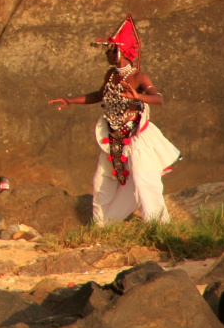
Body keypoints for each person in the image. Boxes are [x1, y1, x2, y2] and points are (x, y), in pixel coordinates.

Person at [49, 14, 181, 224]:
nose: (107, 54)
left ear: (120, 51)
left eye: (110, 50)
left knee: (144, 181)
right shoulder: (111, 75)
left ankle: (159, 228)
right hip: (113, 140)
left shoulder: (139, 77)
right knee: (101, 183)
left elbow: (158, 99)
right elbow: (100, 95)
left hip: (138, 139)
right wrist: (70, 100)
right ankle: (103, 227)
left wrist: (138, 97)